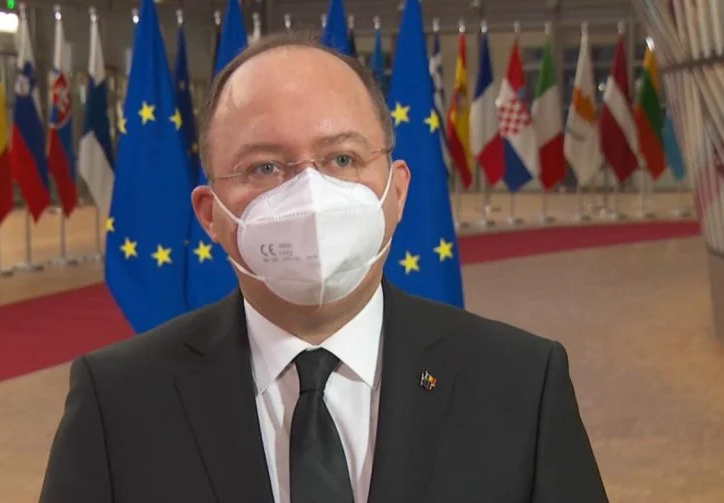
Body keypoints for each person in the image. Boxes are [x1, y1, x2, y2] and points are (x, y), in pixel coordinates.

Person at [40, 34, 608, 503]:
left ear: (397, 192)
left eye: (342, 158)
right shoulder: (118, 402)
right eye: (264, 167)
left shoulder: (521, 385)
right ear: (210, 216)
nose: (310, 195)